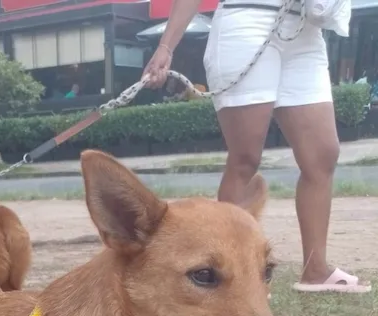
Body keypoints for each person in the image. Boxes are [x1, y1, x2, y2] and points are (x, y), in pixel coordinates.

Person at [143, 0, 371, 293]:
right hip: (246, 18)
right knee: (245, 158)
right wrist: (166, 47)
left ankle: (315, 269)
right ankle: (232, 271)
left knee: (323, 153)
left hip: (306, 28)